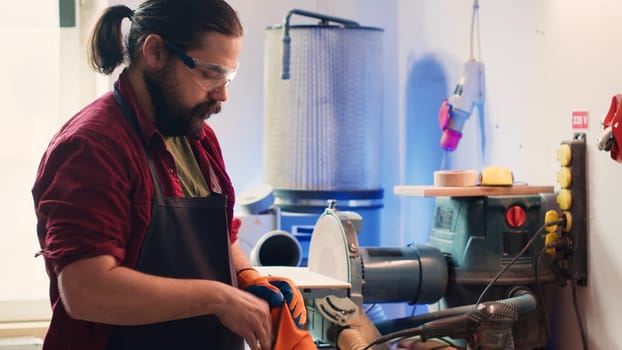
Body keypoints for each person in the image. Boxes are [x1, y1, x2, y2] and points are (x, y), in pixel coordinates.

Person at [32, 1, 313, 349]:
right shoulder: (92, 146)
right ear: (155, 52)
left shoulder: (198, 138)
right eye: (210, 74)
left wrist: (248, 279)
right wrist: (219, 298)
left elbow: (218, 242)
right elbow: (87, 291)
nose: (222, 94)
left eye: (228, 76)